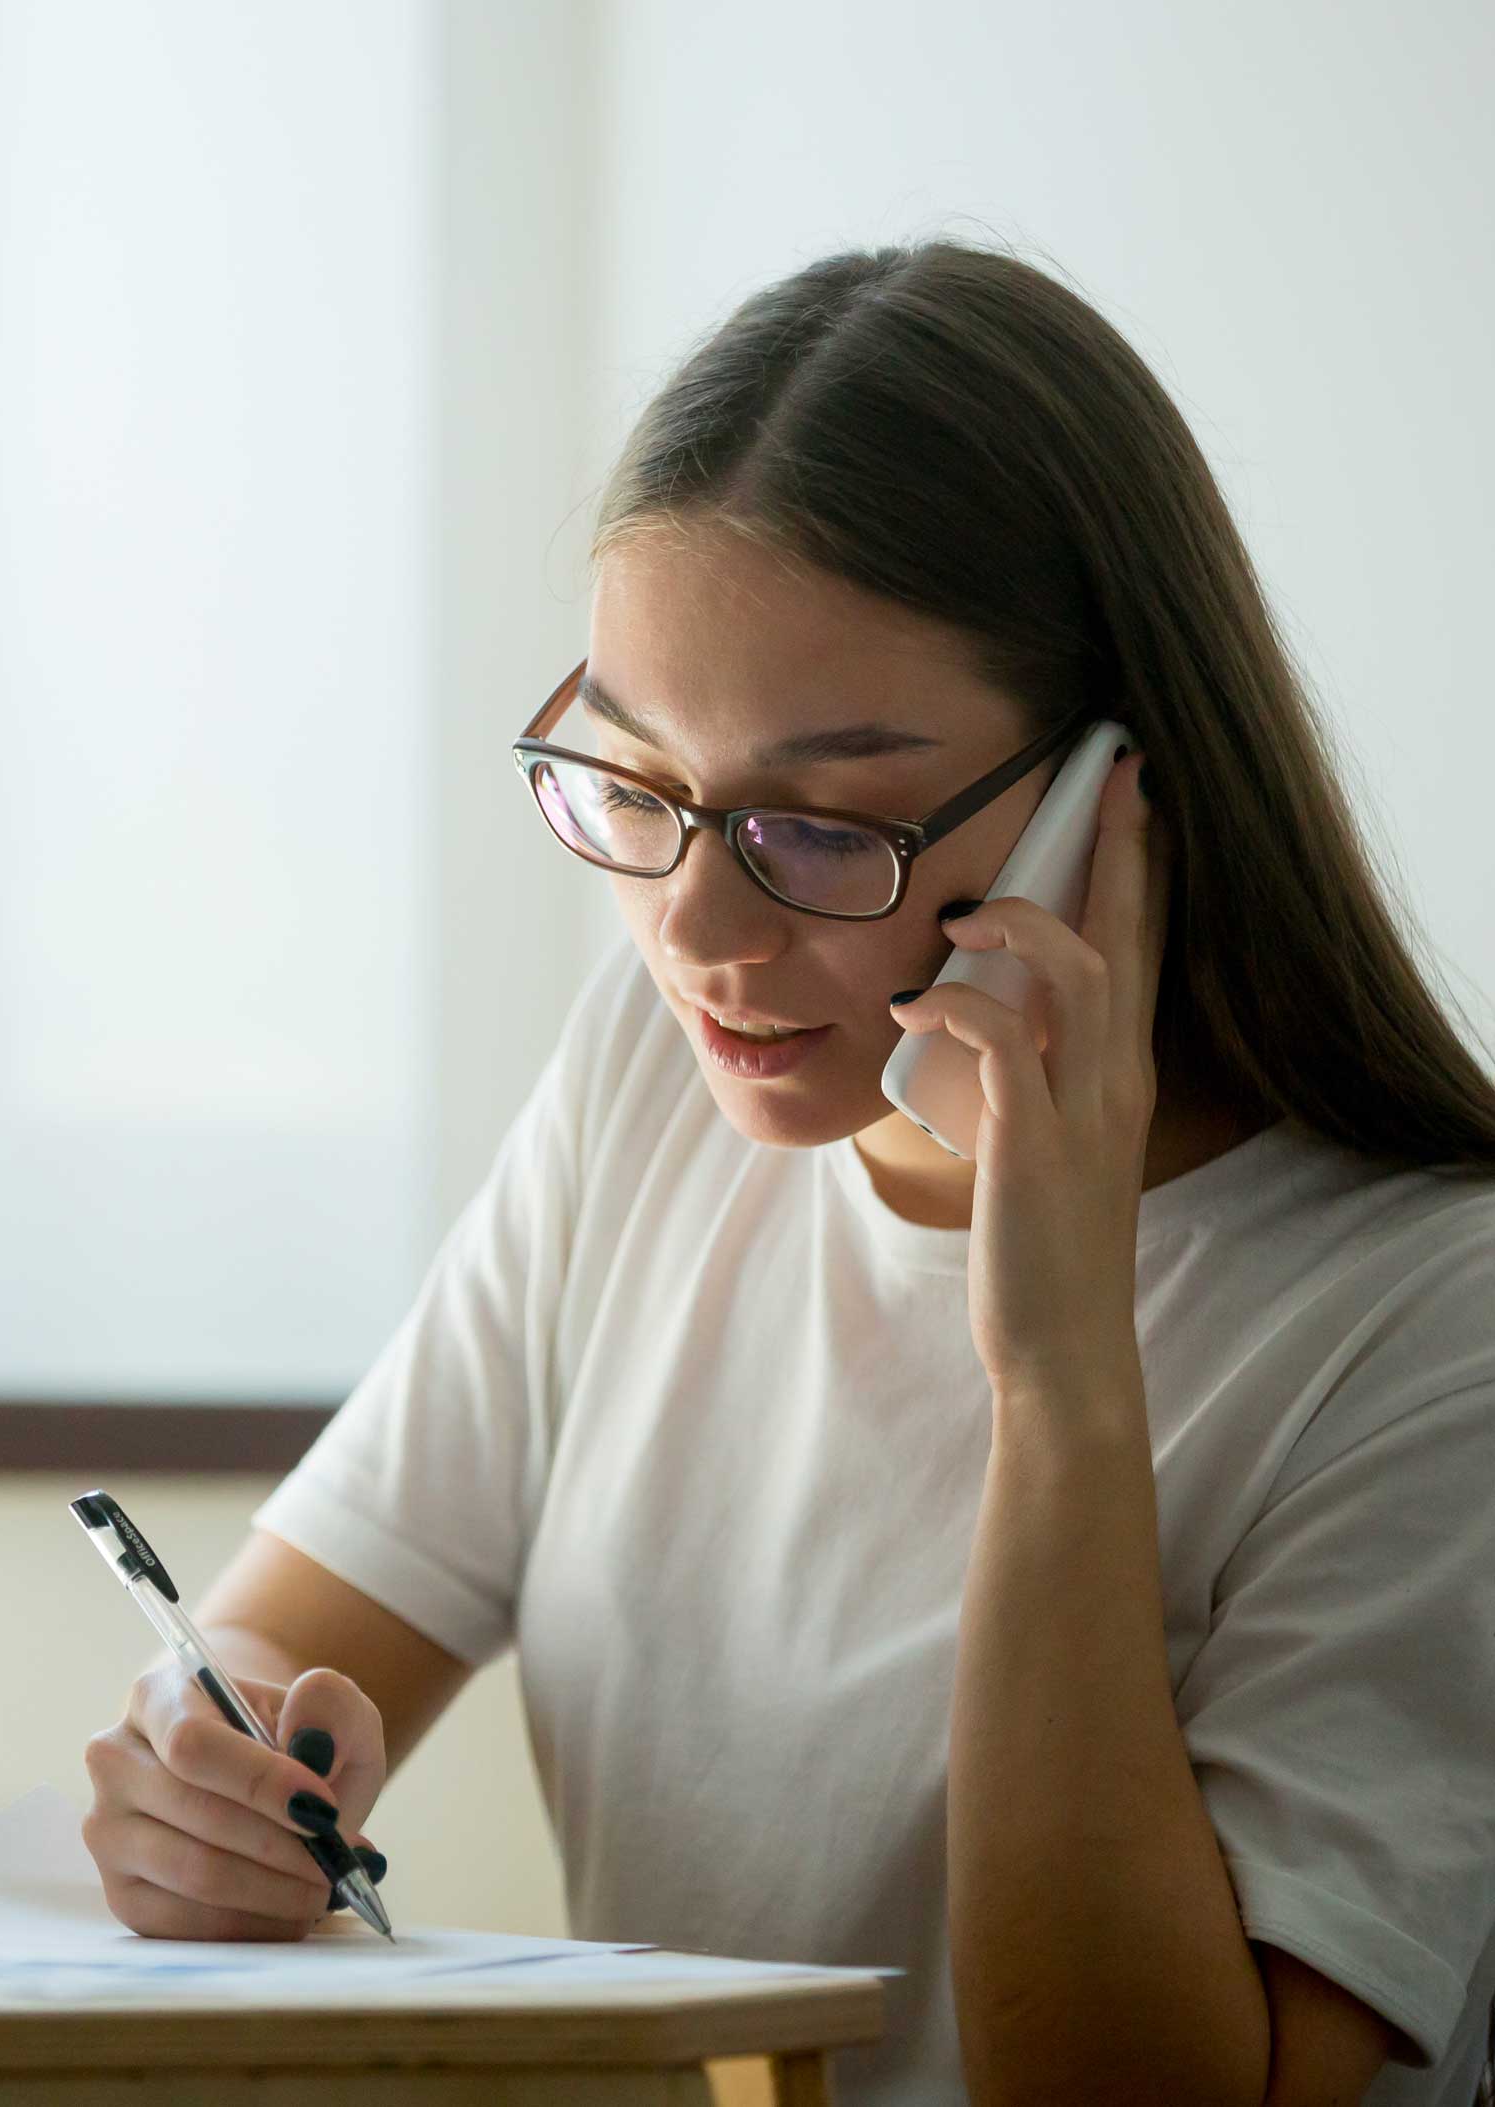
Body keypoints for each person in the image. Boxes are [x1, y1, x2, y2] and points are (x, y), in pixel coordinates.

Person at [81, 239, 1495, 2107]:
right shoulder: (653, 1094)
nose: (698, 933)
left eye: (817, 830)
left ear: (1111, 795)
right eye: (641, 785)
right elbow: (290, 1635)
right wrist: (215, 1764)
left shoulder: (1430, 1319)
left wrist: (1062, 1382)